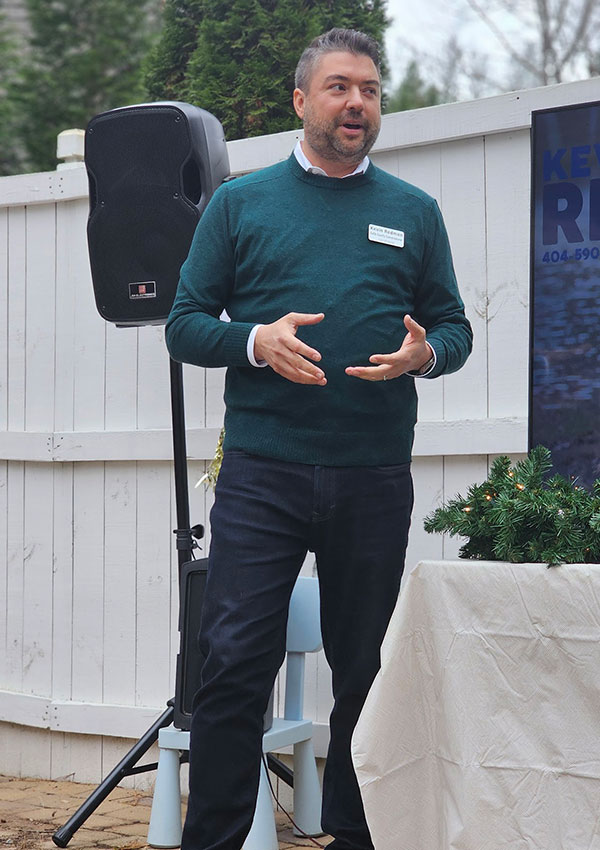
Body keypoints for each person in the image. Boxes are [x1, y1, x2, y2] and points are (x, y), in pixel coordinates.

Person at [166, 27, 472, 850]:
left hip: (373, 474)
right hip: (264, 472)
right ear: (302, 101)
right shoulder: (241, 203)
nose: (356, 103)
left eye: (369, 90)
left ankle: (353, 832)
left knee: (366, 669)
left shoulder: (414, 212)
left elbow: (453, 327)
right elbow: (185, 324)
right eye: (338, 87)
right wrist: (254, 342)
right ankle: (217, 839)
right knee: (233, 665)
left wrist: (426, 354)